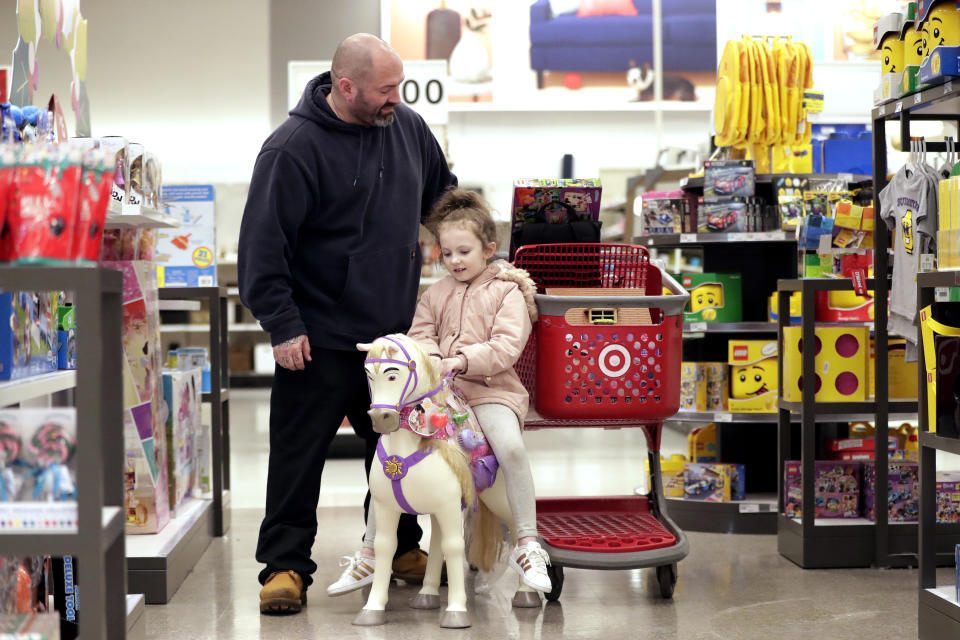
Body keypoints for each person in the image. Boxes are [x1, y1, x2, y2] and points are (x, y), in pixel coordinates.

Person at [238, 33, 457, 615]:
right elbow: (262, 247)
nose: (397, 98)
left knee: (400, 450)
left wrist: (471, 250)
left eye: (400, 86)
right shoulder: (292, 148)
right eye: (386, 89)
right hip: (317, 336)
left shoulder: (407, 128)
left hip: (396, 340)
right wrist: (282, 325)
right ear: (345, 86)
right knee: (298, 453)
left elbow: (443, 199)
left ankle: (403, 548)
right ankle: (285, 564)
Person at [326, 188, 552, 597]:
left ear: (488, 248)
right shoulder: (435, 294)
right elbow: (421, 336)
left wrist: (460, 361)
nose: (454, 261)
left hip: (491, 392)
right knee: (393, 451)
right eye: (447, 254)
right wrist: (430, 362)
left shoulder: (508, 293)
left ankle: (528, 542)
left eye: (463, 252)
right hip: (441, 395)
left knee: (511, 449)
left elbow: (505, 347)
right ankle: (370, 552)